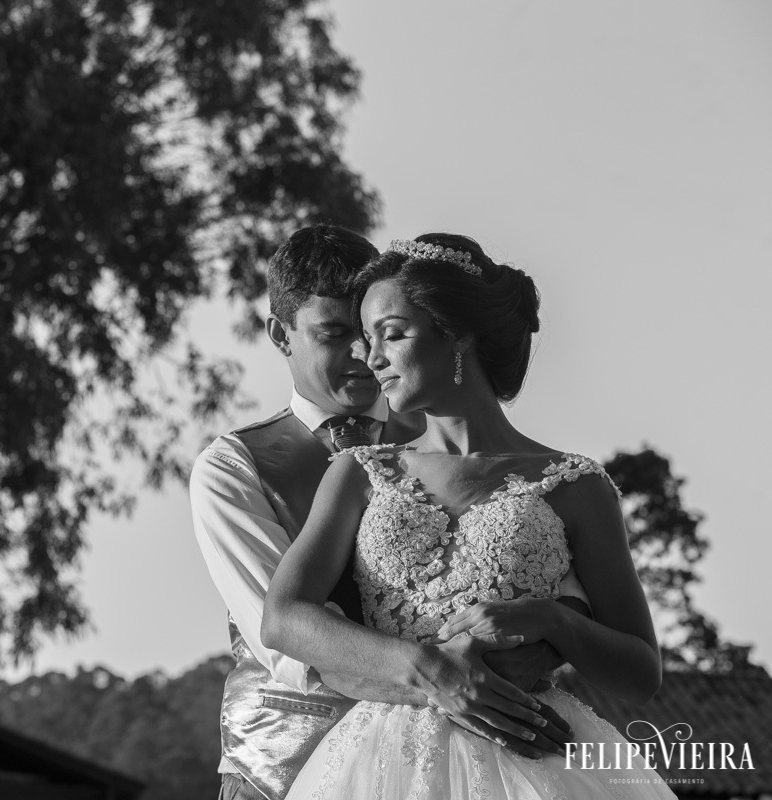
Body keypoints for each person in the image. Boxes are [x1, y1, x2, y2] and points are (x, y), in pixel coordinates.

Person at [263, 234, 674, 799]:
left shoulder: (575, 485)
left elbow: (640, 673)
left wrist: (556, 621)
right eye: (365, 340)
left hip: (536, 759)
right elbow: (283, 618)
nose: (371, 359)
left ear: (456, 332)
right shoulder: (359, 472)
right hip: (381, 768)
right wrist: (431, 670)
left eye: (392, 334)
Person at [191, 225, 588, 800]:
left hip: (466, 767)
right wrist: (454, 680)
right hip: (282, 774)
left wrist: (542, 641)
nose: (363, 355)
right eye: (333, 334)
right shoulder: (234, 466)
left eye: (375, 332)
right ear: (281, 335)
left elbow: (562, 590)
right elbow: (285, 643)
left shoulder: (440, 438)